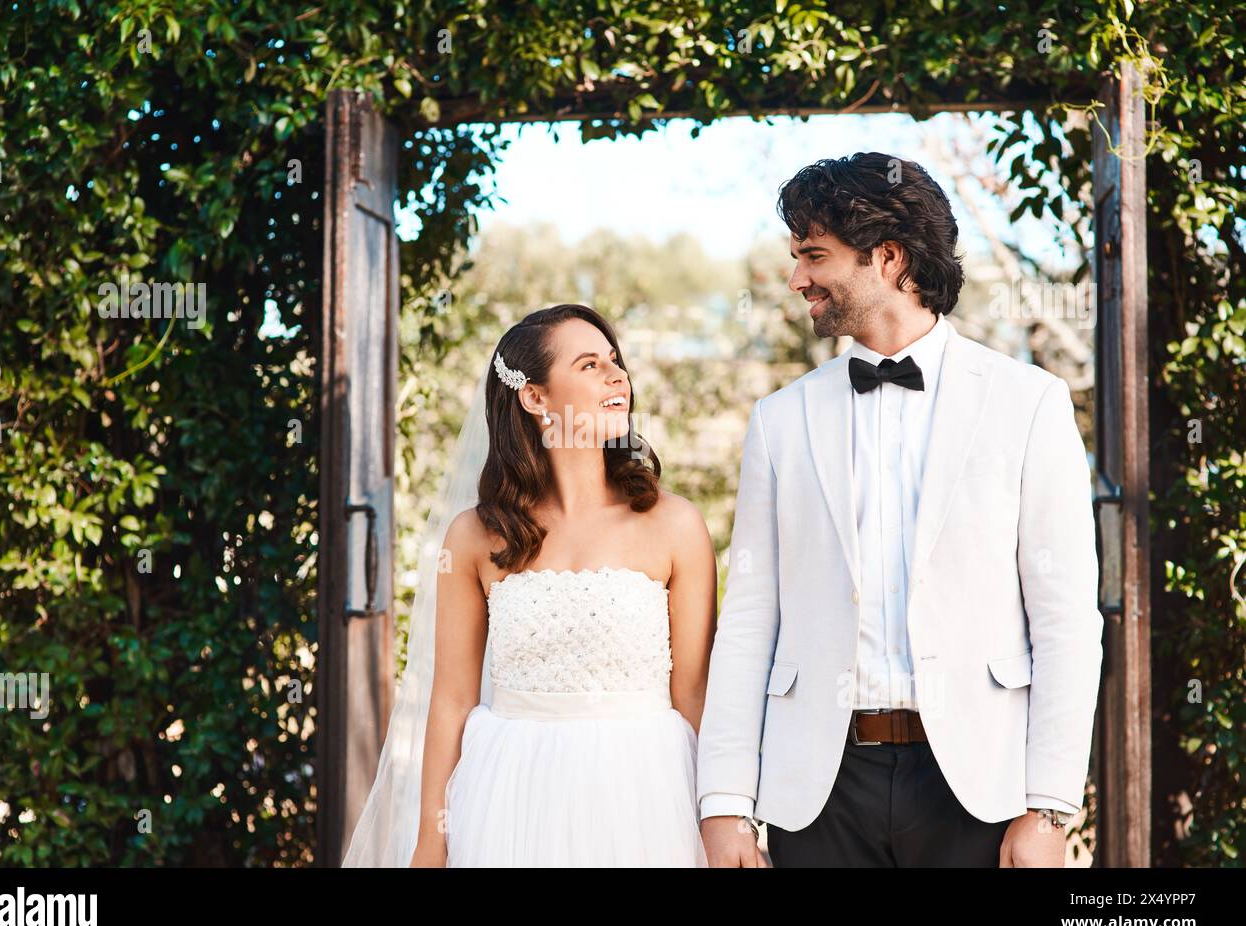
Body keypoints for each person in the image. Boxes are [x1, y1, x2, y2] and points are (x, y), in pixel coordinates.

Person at [697, 152, 1104, 867]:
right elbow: (750, 617)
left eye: (814, 255)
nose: (797, 279)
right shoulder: (779, 420)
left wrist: (1049, 807)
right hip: (817, 790)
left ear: (887, 258)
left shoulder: (1028, 403)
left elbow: (1067, 618)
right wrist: (726, 799)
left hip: (978, 784)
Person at [343, 303, 716, 867]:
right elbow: (450, 700)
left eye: (615, 362)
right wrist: (430, 840)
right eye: (589, 365)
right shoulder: (472, 536)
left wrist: (721, 820)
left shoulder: (674, 524)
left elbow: (695, 697)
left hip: (644, 797)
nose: (618, 378)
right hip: (508, 794)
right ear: (535, 397)